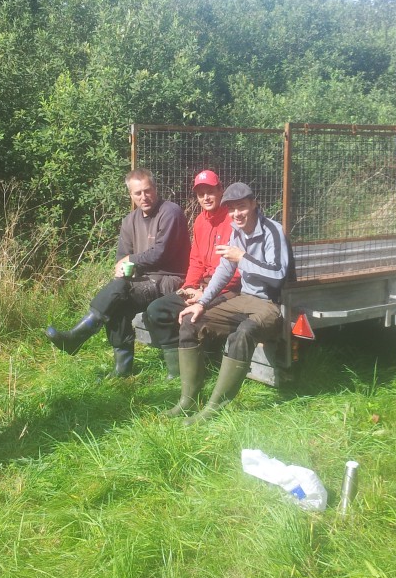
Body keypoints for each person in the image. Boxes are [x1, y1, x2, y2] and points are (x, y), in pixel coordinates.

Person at [45, 169, 189, 377]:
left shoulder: (170, 212)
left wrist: (130, 261)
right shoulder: (129, 221)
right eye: (137, 193)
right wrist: (124, 268)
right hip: (142, 282)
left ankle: (78, 335)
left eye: (147, 191)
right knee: (118, 300)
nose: (143, 197)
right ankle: (122, 369)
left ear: (155, 189)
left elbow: (161, 253)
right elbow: (121, 257)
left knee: (121, 292)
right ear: (130, 195)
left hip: (170, 280)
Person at [174, 182, 291, 423]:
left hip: (270, 303)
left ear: (253, 204)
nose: (236, 214)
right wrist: (202, 303)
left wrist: (243, 258)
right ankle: (187, 400)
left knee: (243, 333)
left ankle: (215, 407)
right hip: (243, 299)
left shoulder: (272, 230)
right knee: (190, 320)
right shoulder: (236, 233)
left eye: (242, 207)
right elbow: (224, 271)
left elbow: (279, 274)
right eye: (231, 209)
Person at [142, 169, 241, 381]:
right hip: (202, 287)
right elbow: (196, 260)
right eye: (200, 193)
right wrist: (189, 286)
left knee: (193, 318)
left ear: (220, 190)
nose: (206, 197)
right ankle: (177, 369)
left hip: (228, 288)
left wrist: (204, 293)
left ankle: (204, 367)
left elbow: (236, 271)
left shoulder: (234, 222)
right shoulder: (199, 222)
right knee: (156, 310)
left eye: (210, 191)